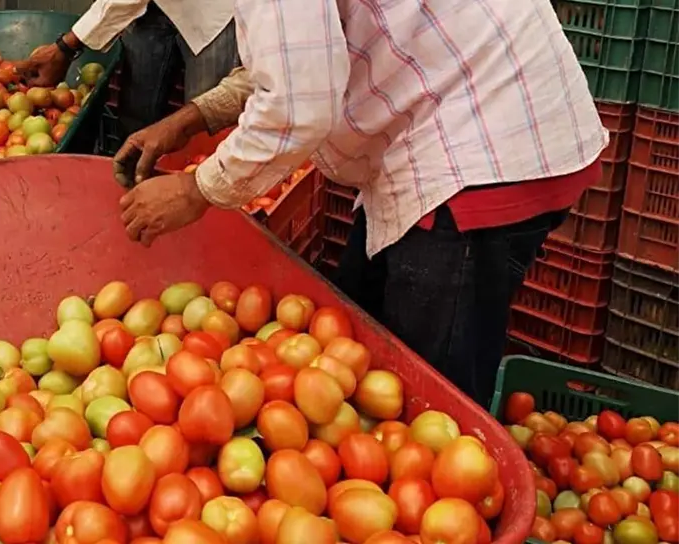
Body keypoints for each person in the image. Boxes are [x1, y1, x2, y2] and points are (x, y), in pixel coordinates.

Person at [114, 0, 608, 407]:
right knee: (353, 346)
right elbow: (305, 53)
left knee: (434, 403)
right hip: (473, 116)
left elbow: (296, 105)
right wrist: (194, 117)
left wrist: (195, 190)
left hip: (478, 146)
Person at [0, 0, 238, 138]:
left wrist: (67, 46)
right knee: (136, 114)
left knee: (205, 124)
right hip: (143, 10)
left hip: (213, 8)